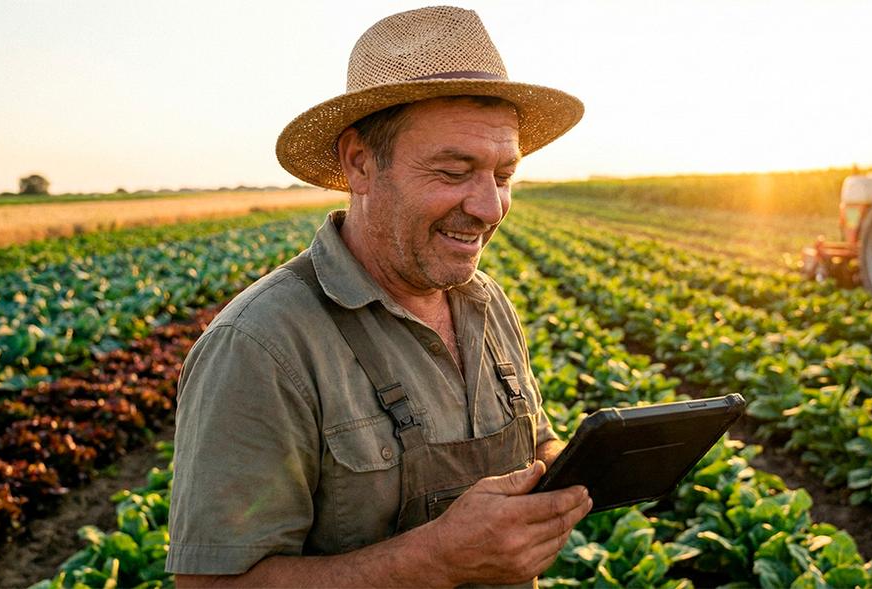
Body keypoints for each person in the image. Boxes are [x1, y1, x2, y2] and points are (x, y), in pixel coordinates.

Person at [166, 6, 591, 588]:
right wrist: (437, 560)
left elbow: (535, 439)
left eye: (502, 175)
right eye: (453, 170)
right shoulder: (262, 346)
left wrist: (581, 467)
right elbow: (207, 587)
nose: (490, 207)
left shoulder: (485, 302)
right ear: (360, 164)